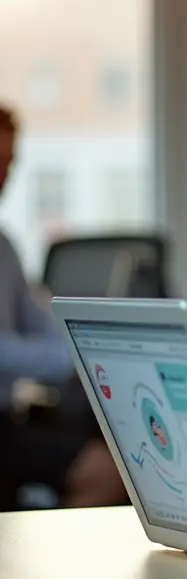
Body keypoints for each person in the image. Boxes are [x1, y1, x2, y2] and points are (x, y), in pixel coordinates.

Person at [0, 104, 124, 509]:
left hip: (9, 420)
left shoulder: (4, 247)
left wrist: (94, 336)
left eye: (9, 164)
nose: (3, 178)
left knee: (119, 462)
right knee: (105, 471)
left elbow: (41, 321)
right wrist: (76, 356)